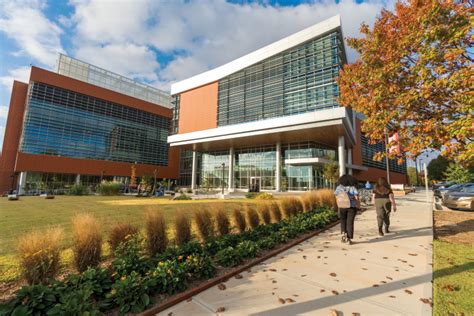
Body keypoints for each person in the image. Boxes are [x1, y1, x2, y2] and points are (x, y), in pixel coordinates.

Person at [334, 174, 360, 245]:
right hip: (351, 207)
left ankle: (343, 235)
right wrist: (357, 204)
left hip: (342, 206)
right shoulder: (352, 188)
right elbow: (357, 198)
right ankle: (348, 238)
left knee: (343, 221)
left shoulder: (339, 187)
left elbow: (336, 196)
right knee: (350, 222)